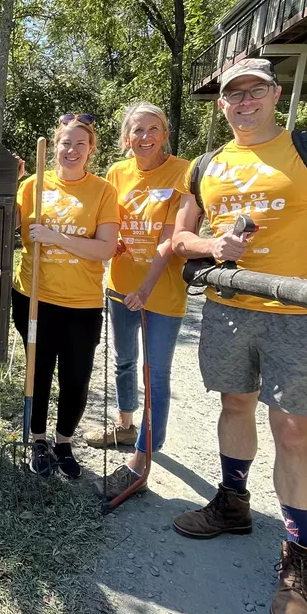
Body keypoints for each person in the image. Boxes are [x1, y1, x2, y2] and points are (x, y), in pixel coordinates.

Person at [170, 58, 307, 614]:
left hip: (300, 316)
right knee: (234, 405)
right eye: (234, 94)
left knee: (292, 428)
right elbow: (180, 238)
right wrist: (214, 247)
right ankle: (233, 503)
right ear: (222, 105)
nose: (244, 101)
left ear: (275, 94)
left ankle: (297, 554)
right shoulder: (207, 166)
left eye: (255, 91)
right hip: (229, 310)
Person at [84, 103, 190, 500]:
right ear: (126, 138)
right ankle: (125, 426)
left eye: (153, 129)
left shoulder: (183, 171)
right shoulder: (116, 172)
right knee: (123, 360)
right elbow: (105, 223)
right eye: (136, 131)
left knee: (154, 372)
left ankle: (144, 455)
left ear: (164, 134)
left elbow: (170, 237)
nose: (144, 137)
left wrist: (145, 288)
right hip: (120, 285)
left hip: (160, 291)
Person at [12, 114, 120, 478]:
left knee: (75, 379)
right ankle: (39, 441)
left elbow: (105, 249)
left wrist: (56, 237)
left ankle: (63, 442)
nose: (71, 150)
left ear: (91, 149)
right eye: (65, 143)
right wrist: (8, 183)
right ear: (54, 146)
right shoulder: (31, 186)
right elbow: (2, 225)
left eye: (80, 144)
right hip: (33, 297)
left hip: (81, 303)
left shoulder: (103, 191)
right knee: (38, 374)